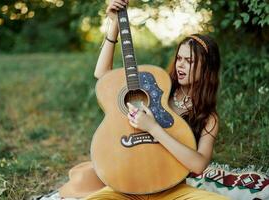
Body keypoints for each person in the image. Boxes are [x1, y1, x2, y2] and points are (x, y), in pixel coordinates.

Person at [81, 0, 230, 199]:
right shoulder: (158, 88)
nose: (181, 65)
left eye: (190, 61)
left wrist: (153, 128)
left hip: (174, 188)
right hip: (126, 185)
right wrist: (114, 25)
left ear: (207, 69)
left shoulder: (208, 118)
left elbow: (199, 164)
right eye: (180, 58)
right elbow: (103, 76)